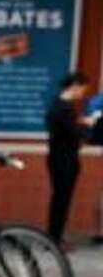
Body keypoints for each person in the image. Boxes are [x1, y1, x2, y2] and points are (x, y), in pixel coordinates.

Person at [46, 71, 92, 250]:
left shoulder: (57, 105)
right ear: (74, 86)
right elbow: (74, 134)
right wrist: (87, 127)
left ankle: (54, 236)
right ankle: (54, 239)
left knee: (59, 198)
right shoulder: (64, 108)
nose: (83, 93)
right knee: (62, 199)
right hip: (65, 159)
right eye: (82, 89)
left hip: (58, 157)